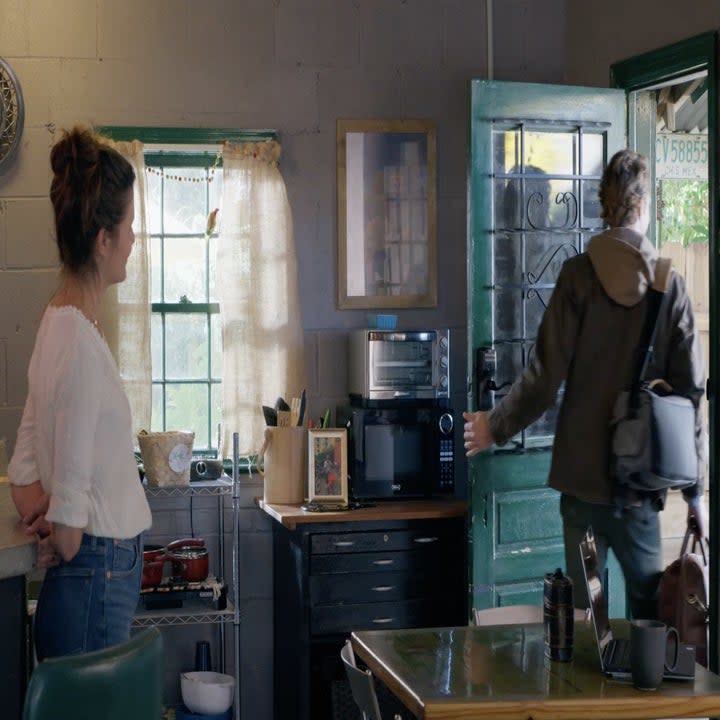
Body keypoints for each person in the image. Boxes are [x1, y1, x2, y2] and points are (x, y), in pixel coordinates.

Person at [463, 148, 706, 619]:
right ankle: (643, 686)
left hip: (580, 486)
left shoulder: (577, 276)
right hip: (638, 490)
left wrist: (497, 425)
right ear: (645, 205)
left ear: (603, 204)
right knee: (648, 618)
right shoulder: (669, 285)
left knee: (584, 618)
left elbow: (543, 376)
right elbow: (691, 395)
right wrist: (696, 495)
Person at [8, 126, 152, 660]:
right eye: (129, 226)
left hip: (91, 578)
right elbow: (68, 533)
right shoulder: (80, 347)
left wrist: (52, 515)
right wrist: (62, 529)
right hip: (97, 574)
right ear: (103, 239)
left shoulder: (57, 324)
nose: (134, 240)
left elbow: (23, 477)